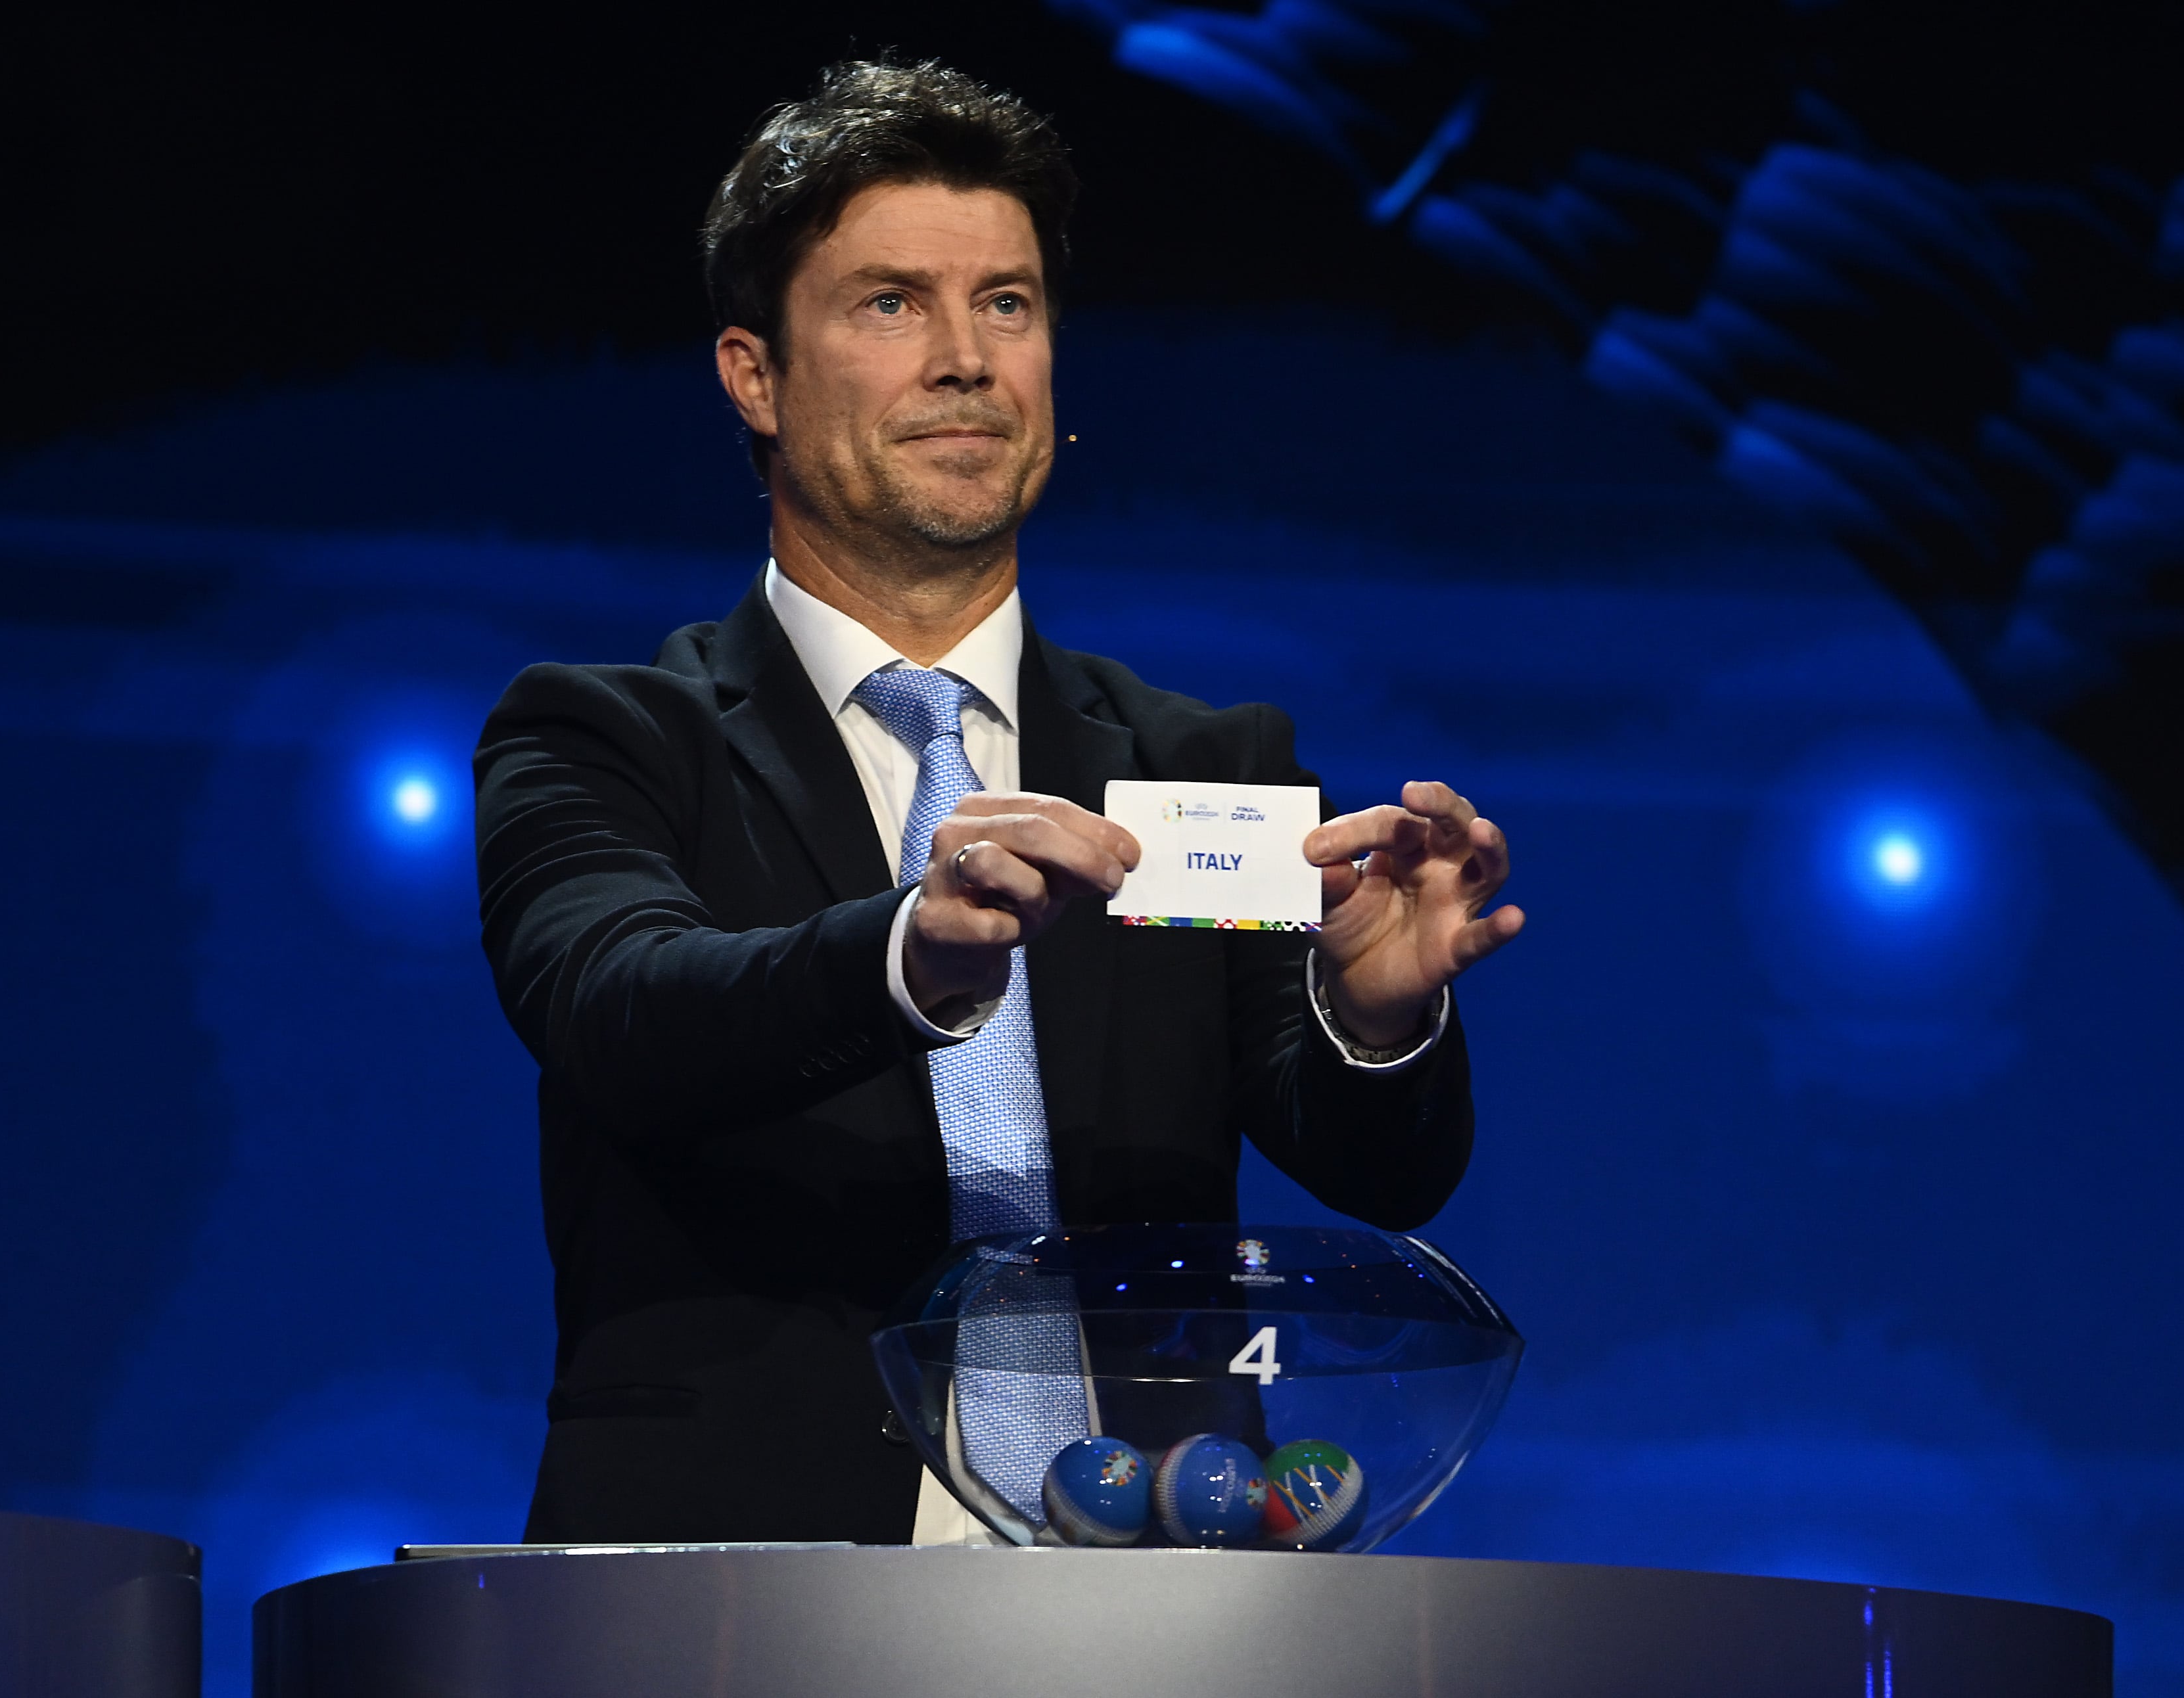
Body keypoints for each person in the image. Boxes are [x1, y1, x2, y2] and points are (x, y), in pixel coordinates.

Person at [473, 57, 1523, 1547]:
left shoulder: (1206, 766)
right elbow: (626, 1013)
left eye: (1008, 304)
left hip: (1155, 1589)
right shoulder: (606, 736)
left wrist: (1374, 1016)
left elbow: (1383, 1164)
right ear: (754, 373)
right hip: (739, 1599)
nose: (966, 359)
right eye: (891, 303)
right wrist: (914, 953)